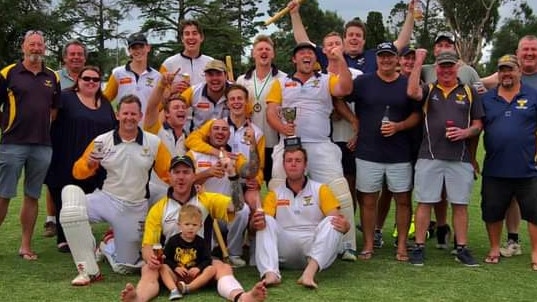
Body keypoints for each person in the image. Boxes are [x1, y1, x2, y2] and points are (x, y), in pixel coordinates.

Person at [120, 155, 267, 302]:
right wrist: (150, 258)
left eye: (186, 172)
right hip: (171, 269)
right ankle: (138, 299)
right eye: (176, 172)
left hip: (202, 267)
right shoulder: (158, 209)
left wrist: (233, 175)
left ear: (193, 176)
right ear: (170, 176)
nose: (181, 177)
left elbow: (238, 206)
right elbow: (148, 246)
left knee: (223, 267)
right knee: (148, 269)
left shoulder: (207, 200)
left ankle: (242, 297)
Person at [59, 95, 172, 285]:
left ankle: (107, 245)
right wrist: (89, 164)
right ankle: (88, 270)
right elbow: (77, 173)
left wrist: (190, 183)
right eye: (125, 113)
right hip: (105, 199)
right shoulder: (102, 141)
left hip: (134, 207)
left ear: (140, 115)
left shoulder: (153, 143)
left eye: (133, 114)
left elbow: (169, 173)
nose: (129, 117)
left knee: (126, 267)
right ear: (118, 115)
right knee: (70, 205)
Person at [265, 42, 356, 261]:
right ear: (294, 60)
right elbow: (271, 112)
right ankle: (274, 242)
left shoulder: (325, 80)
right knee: (278, 189)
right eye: (301, 53)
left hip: (319, 144)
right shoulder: (281, 83)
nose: (306, 55)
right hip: (288, 144)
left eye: (310, 53)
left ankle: (347, 244)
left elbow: (345, 88)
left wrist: (341, 59)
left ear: (315, 60)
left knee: (339, 192)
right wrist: (282, 128)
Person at [407, 49, 484, 267]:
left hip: (460, 157)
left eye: (450, 66)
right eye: (442, 66)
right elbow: (412, 92)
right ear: (436, 68)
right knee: (424, 202)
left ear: (457, 67)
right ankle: (419, 247)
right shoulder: (429, 89)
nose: (446, 70)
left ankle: (461, 248)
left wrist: (464, 133)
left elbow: (478, 125)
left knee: (460, 204)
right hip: (429, 155)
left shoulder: (469, 91)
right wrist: (419, 60)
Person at [346, 42, 421, 261]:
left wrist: (398, 126)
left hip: (400, 153)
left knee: (403, 200)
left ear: (397, 59)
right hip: (368, 152)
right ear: (376, 59)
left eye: (390, 56)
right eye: (382, 56)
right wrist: (353, 120)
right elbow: (339, 98)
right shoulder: (363, 82)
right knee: (368, 201)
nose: (386, 60)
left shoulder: (407, 84)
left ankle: (401, 247)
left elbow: (417, 115)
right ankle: (368, 244)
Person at [250, 147, 350, 289]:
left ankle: (309, 274)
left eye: (298, 160)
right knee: (266, 221)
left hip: (313, 250)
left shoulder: (321, 189)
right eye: (289, 161)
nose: (293, 164)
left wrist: (345, 226)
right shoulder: (275, 194)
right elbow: (259, 228)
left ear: (305, 164)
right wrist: (255, 224)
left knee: (332, 221)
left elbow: (339, 223)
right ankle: (270, 273)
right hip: (284, 250)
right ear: (283, 165)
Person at [0, 30, 61, 260]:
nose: (36, 48)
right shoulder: (8, 73)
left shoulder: (52, 76)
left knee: (32, 195)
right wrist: (7, 124)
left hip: (42, 145)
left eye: (39, 45)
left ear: (44, 48)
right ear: (23, 47)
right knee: (3, 194)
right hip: (12, 144)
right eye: (31, 44)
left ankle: (25, 246)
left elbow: (54, 109)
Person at [45, 66, 116, 253]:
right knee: (65, 195)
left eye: (95, 79)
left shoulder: (105, 102)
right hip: (66, 155)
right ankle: (64, 237)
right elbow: (49, 117)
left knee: (89, 198)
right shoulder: (65, 98)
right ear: (78, 80)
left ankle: (86, 232)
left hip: (96, 161)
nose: (91, 82)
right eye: (86, 78)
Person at [481, 35, 537, 257]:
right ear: (498, 73)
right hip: (495, 167)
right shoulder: (487, 99)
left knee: (534, 212)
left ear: (519, 71)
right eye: (503, 70)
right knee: (493, 211)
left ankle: (535, 253)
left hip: (527, 167)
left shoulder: (532, 96)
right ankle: (494, 249)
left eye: (510, 70)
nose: (507, 74)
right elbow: (478, 126)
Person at [185, 118, 260, 267]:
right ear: (209, 132)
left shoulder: (234, 157)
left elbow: (251, 171)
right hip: (201, 210)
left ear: (229, 135)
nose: (220, 132)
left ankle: (233, 253)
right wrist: (208, 173)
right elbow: (184, 182)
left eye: (224, 129)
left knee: (243, 210)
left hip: (225, 211)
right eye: (216, 128)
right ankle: (208, 251)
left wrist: (253, 145)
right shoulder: (194, 154)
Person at [288, 0, 415, 73]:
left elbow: (402, 42)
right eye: (350, 35)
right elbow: (303, 42)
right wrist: (294, 14)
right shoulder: (330, 55)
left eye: (358, 35)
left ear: (364, 40)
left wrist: (410, 13)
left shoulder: (374, 56)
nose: (354, 37)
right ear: (344, 40)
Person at [43, 39, 89, 238]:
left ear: (85, 58)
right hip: (57, 134)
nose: (76, 57)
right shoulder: (54, 78)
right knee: (55, 178)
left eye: (80, 54)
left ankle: (77, 218)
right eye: (72, 54)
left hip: (82, 135)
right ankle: (52, 219)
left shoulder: (90, 78)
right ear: (64, 58)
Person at [236, 35, 287, 184]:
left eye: (267, 49)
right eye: (260, 49)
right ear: (253, 53)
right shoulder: (242, 80)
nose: (263, 52)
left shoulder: (283, 79)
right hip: (249, 143)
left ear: (273, 54)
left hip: (274, 141)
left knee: (274, 184)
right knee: (250, 185)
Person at [143, 70, 189, 205]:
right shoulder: (156, 131)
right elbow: (151, 109)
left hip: (178, 194)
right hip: (153, 193)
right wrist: (162, 85)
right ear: (167, 114)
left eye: (183, 107)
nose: (181, 110)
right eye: (176, 107)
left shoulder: (190, 140)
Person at [160, 204, 215, 300]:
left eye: (194, 225)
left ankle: (188, 288)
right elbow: (166, 259)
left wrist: (198, 268)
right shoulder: (173, 240)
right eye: (187, 224)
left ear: (200, 226)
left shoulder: (201, 242)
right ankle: (174, 290)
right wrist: (175, 267)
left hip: (194, 277)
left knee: (211, 269)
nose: (191, 227)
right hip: (176, 276)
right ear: (179, 225)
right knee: (162, 267)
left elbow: (207, 259)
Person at [103, 32, 160, 118]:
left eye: (141, 47)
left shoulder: (157, 76)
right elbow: (105, 100)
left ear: (148, 48)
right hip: (124, 126)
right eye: (134, 48)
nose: (138, 51)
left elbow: (161, 105)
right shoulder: (118, 73)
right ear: (129, 51)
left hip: (148, 128)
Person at [181, 59, 229, 132]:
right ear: (205, 76)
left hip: (228, 139)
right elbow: (172, 108)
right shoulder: (193, 91)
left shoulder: (236, 92)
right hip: (198, 138)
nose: (214, 78)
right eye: (210, 74)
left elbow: (248, 116)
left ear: (226, 76)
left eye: (218, 74)